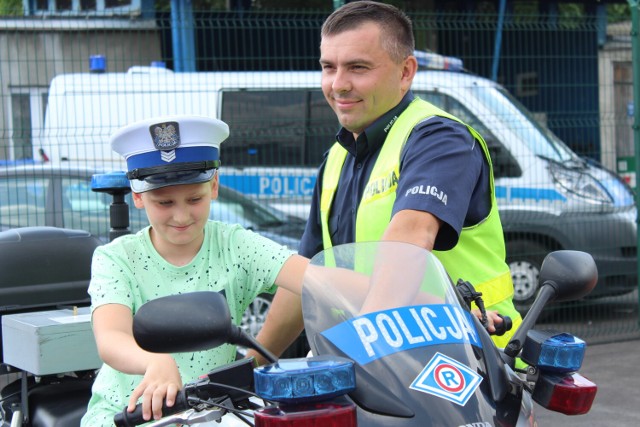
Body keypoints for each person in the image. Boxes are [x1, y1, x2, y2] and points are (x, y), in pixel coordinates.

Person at [253, 0, 522, 363]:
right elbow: (310, 274)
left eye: (358, 68)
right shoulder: (337, 157)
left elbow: (409, 240)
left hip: (471, 369)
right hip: (383, 376)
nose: (338, 85)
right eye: (328, 68)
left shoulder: (440, 138)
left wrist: (357, 351)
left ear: (406, 71)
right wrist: (251, 362)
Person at [80, 115, 309, 426]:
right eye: (163, 202)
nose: (181, 215)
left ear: (213, 186)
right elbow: (111, 337)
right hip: (129, 416)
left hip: (215, 414)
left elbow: (311, 278)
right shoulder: (116, 258)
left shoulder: (234, 244)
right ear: (137, 195)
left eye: (194, 198)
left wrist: (374, 292)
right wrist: (154, 362)